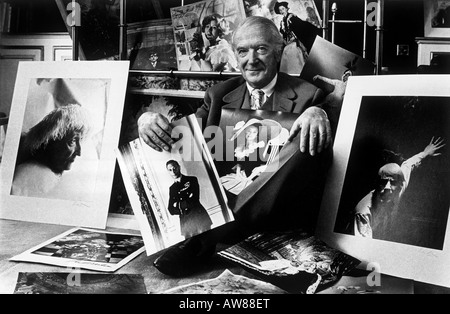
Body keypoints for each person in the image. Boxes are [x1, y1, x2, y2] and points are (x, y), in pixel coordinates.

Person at [138, 16, 341, 277]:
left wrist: (319, 112)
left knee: (306, 137)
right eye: (243, 51)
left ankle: (206, 239)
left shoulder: (308, 94)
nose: (251, 59)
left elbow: (329, 137)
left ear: (278, 52)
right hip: (230, 207)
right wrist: (147, 121)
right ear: (235, 56)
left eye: (261, 49)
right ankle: (221, 230)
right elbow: (178, 136)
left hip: (279, 221)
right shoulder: (218, 95)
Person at [349, 137, 446, 238]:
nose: (387, 187)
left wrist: (425, 153)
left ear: (400, 185)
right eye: (383, 182)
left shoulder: (399, 188)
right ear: (376, 183)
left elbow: (408, 165)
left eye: (393, 182)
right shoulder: (363, 212)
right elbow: (363, 246)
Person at [11, 104, 91, 198]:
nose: (79, 152)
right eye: (72, 141)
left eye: (80, 140)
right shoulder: (34, 176)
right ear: (50, 143)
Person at [166, 160, 213, 239]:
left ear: (179, 167)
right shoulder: (172, 188)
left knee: (207, 241)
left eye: (175, 168)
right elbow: (170, 209)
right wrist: (183, 208)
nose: (173, 172)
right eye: (170, 170)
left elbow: (195, 199)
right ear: (168, 172)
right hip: (186, 223)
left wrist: (178, 205)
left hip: (198, 216)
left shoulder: (192, 180)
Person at [274, 1, 321, 74]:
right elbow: (284, 33)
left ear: (286, 9)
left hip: (298, 41)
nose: (282, 11)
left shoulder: (292, 17)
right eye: (280, 10)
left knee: (295, 53)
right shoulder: (282, 21)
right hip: (289, 42)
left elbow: (301, 28)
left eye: (283, 9)